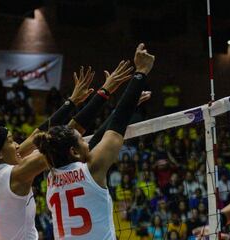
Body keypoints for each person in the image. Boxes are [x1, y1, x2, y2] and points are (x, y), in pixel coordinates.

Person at [0, 62, 133, 240]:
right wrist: (104, 93)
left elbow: (36, 136)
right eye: (11, 142)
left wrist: (70, 103)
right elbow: (64, 138)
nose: (18, 145)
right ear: (0, 154)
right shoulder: (17, 174)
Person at [33, 43, 155, 239]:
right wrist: (141, 71)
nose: (88, 142)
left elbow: (104, 132)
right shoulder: (91, 169)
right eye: (82, 139)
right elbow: (115, 128)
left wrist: (126, 106)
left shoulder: (52, 175)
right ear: (73, 152)